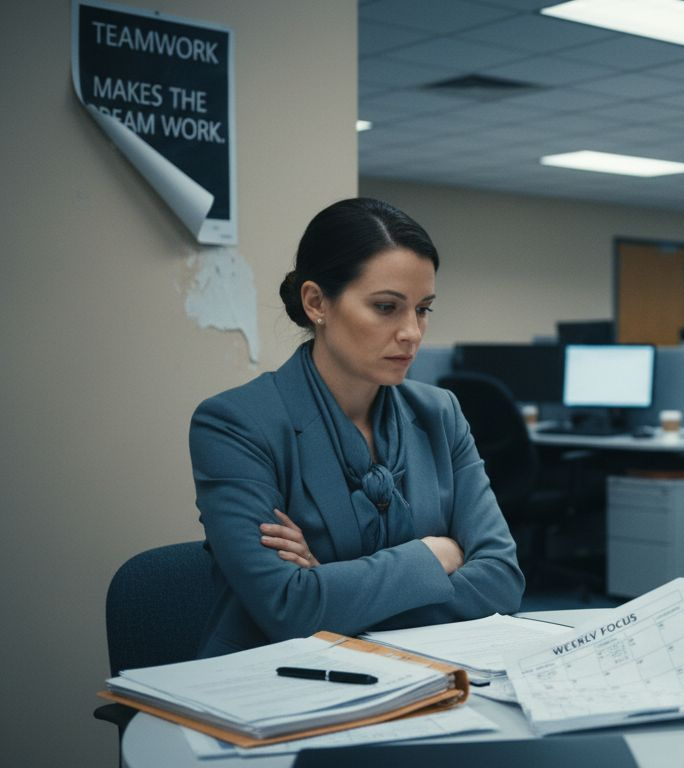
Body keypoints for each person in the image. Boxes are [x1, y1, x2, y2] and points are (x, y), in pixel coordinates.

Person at [189, 198, 524, 657]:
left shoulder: (440, 413)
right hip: (272, 681)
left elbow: (501, 581)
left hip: (422, 674)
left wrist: (330, 584)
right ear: (316, 303)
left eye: (423, 309)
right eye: (386, 307)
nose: (412, 332)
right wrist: (434, 555)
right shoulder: (235, 424)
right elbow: (287, 608)